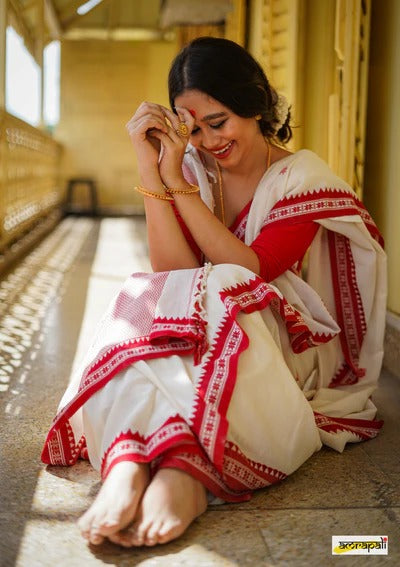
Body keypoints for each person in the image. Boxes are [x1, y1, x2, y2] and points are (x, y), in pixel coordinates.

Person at [41, 37, 387, 548]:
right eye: (191, 127)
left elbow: (253, 269)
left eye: (217, 121)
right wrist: (151, 166)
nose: (205, 141)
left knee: (226, 281)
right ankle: (131, 463)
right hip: (214, 323)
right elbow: (171, 271)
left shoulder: (302, 178)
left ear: (255, 105)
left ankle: (186, 479)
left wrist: (177, 187)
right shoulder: (194, 168)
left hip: (293, 344)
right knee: (147, 291)